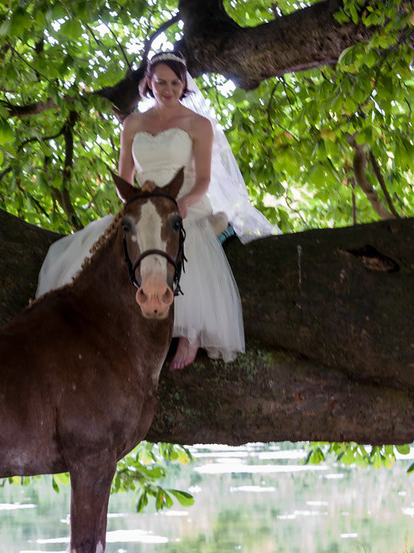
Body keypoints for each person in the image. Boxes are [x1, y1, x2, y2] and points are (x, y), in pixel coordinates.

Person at [36, 51, 278, 369]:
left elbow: (204, 178)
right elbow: (125, 177)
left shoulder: (198, 124)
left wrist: (185, 202)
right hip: (144, 203)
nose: (167, 88)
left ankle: (190, 333)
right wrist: (130, 209)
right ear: (148, 82)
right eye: (160, 81)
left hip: (185, 201)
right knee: (84, 249)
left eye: (175, 82)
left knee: (180, 241)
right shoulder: (133, 123)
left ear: (184, 84)